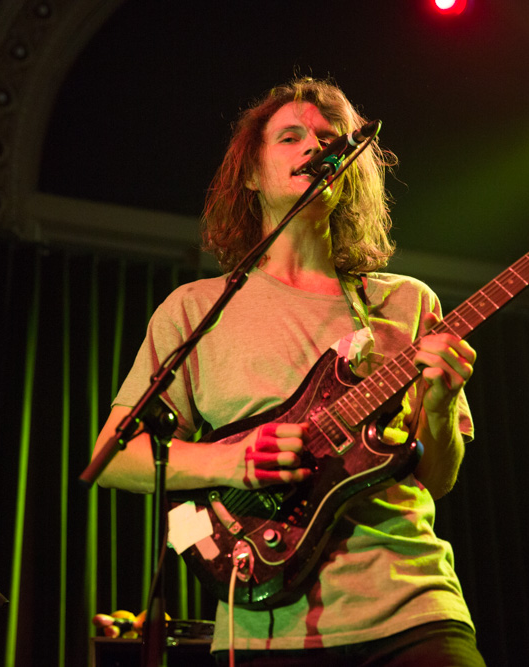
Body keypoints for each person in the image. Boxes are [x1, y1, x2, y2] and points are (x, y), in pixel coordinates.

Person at [93, 77, 485, 665]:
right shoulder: (195, 309)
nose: (314, 148)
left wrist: (439, 407)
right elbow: (113, 457)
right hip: (266, 625)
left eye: (329, 139)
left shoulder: (406, 302)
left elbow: (437, 478)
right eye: (291, 136)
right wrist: (232, 462)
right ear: (251, 173)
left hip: (413, 605)